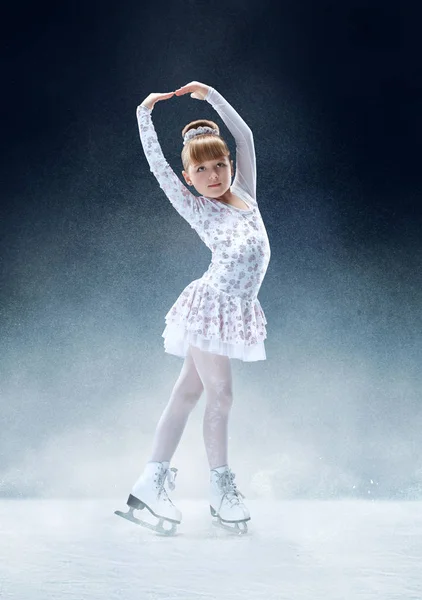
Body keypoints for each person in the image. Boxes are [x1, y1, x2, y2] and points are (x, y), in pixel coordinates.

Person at [123, 81, 271, 534]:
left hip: (236, 311)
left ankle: (149, 483)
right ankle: (221, 490)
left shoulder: (245, 193)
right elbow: (159, 169)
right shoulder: (196, 208)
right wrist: (144, 117)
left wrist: (211, 95)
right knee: (220, 395)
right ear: (190, 177)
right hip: (210, 308)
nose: (213, 175)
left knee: (188, 394)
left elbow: (243, 136)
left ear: (230, 166)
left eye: (219, 164)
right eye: (202, 169)